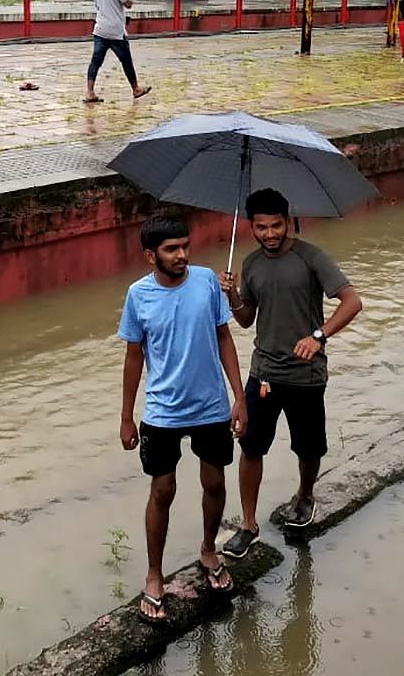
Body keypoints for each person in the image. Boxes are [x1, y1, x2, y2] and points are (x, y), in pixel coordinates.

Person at [218, 188, 362, 558]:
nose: (269, 234)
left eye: (276, 225)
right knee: (250, 446)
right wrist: (233, 296)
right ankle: (248, 524)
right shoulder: (250, 264)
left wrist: (319, 336)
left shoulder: (311, 257)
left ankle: (305, 495)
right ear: (252, 227)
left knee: (308, 447)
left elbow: (352, 301)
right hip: (264, 371)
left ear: (287, 222)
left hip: (306, 374)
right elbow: (247, 320)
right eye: (262, 227)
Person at [118, 214, 247, 623]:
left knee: (214, 482)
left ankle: (208, 550)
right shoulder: (138, 296)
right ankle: (154, 574)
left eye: (185, 247)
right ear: (149, 255)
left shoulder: (206, 281)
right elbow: (134, 356)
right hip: (162, 411)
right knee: (163, 490)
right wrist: (126, 417)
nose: (182, 256)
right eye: (172, 249)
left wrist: (239, 397)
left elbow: (223, 336)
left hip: (210, 405)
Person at [85, 0, 151, 104]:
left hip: (100, 29)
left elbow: (97, 5)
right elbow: (128, 3)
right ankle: (135, 89)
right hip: (115, 31)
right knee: (126, 61)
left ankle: (89, 91)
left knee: (95, 61)